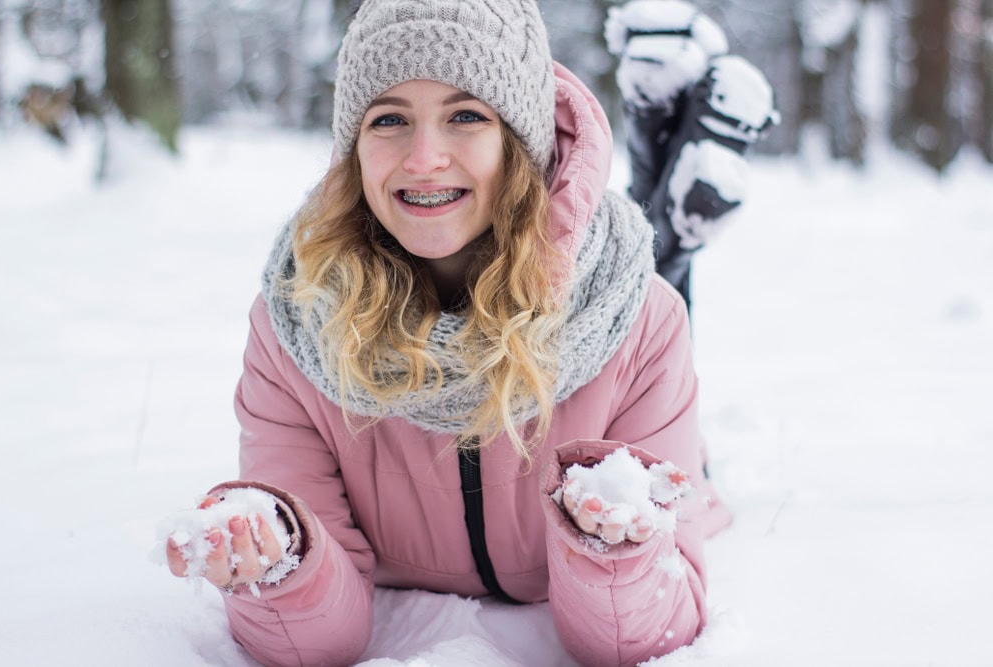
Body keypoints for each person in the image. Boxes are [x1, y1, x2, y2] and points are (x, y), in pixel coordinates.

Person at [164, 1, 731, 665]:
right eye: (389, 119)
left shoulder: (637, 321)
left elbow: (649, 640)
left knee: (693, 469)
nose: (424, 158)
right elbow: (317, 643)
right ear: (353, 150)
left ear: (519, 141)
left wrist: (619, 549)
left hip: (598, 327)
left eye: (466, 116)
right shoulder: (295, 325)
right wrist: (274, 560)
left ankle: (665, 176)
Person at [605, 0, 779, 314]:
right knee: (659, 229)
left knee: (648, 200)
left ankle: (667, 247)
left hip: (654, 54)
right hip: (683, 52)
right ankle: (675, 236)